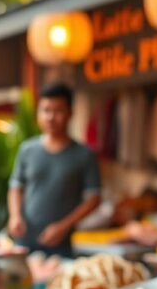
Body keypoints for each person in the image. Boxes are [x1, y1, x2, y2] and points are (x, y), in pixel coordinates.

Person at [8, 83, 102, 256]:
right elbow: (16, 187)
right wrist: (15, 216)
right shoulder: (27, 150)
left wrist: (63, 226)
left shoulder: (84, 155)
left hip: (61, 244)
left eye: (58, 110)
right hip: (23, 240)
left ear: (70, 113)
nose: (51, 117)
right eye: (46, 110)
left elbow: (94, 198)